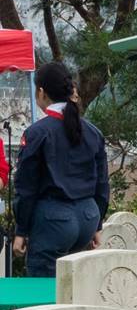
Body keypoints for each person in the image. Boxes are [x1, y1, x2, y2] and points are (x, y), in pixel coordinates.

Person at [12, 62, 109, 277]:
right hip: (87, 216)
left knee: (43, 294)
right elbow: (102, 184)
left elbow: (26, 187)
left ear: (41, 92)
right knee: (78, 287)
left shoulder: (37, 133)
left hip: (54, 221)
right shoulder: (93, 132)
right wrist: (97, 222)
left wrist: (21, 230)